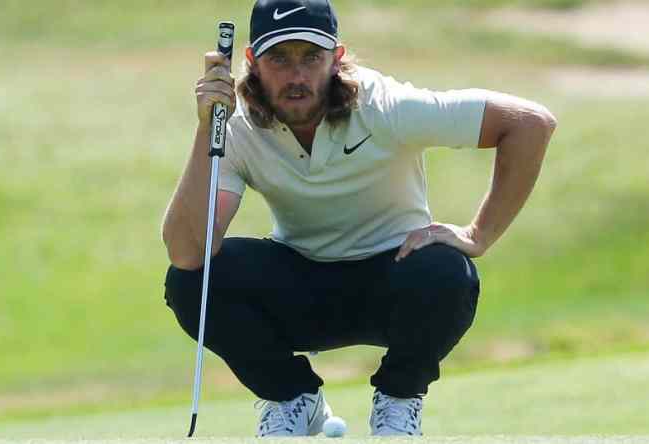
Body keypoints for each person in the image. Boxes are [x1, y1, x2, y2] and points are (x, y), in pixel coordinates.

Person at [161, 0, 556, 437]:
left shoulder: (384, 105)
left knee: (449, 272)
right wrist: (206, 129)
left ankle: (398, 401)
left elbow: (529, 124)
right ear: (251, 61)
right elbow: (187, 250)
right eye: (279, 59)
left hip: (397, 282)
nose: (296, 77)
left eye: (311, 57)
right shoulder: (237, 126)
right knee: (191, 281)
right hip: (302, 288)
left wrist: (478, 235)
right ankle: (292, 397)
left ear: (337, 58)